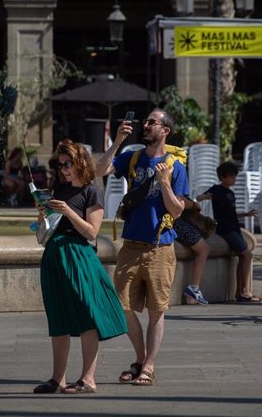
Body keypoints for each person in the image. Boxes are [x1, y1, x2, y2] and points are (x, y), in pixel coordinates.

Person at [95, 109, 188, 387]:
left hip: (160, 247)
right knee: (121, 305)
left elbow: (178, 210)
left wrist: (164, 183)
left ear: (165, 131)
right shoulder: (132, 158)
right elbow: (98, 171)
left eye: (152, 122)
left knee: (156, 310)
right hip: (130, 247)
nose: (145, 125)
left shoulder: (175, 166)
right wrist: (117, 142)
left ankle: (147, 366)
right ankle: (141, 358)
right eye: (145, 121)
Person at [33, 139, 127, 395]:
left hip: (78, 255)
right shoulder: (59, 189)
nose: (64, 169)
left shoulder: (91, 191)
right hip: (55, 256)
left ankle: (88, 379)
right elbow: (46, 232)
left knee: (87, 316)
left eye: (68, 163)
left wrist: (68, 212)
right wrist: (43, 216)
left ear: (80, 162)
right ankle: (57, 379)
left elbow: (92, 232)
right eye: (60, 164)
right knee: (58, 317)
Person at [196, 162, 260, 303]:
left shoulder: (230, 193)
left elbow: (230, 213)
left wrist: (246, 214)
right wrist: (205, 197)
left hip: (234, 227)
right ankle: (244, 291)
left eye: (234, 176)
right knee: (247, 255)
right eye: (231, 176)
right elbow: (199, 197)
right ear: (222, 177)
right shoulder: (216, 189)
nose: (234, 179)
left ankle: (240, 292)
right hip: (225, 229)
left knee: (243, 256)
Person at [174, 198, 211, 305]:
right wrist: (194, 205)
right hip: (174, 220)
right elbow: (179, 198)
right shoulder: (178, 180)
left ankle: (192, 295)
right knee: (204, 249)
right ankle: (194, 289)